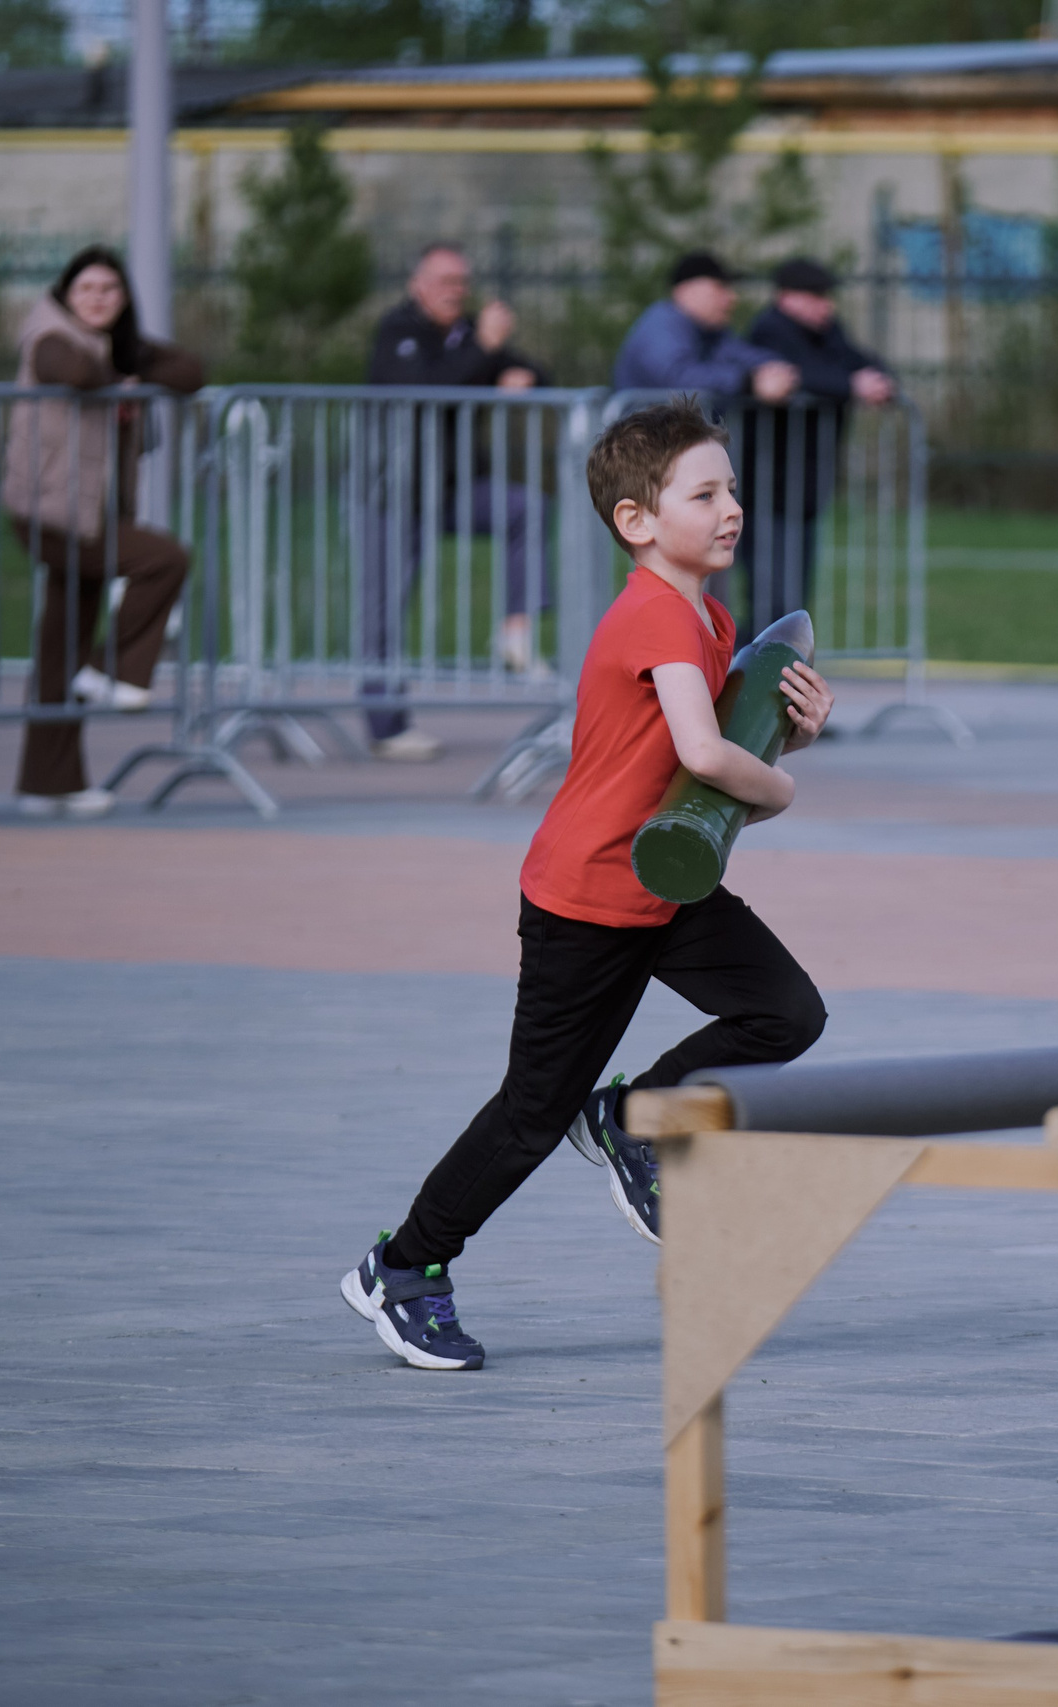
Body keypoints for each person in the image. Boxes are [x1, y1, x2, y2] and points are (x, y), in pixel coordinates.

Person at [339, 398, 834, 1370]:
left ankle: (630, 1113)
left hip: (665, 885)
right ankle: (402, 1268)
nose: (730, 507)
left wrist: (788, 730)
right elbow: (706, 749)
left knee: (784, 1013)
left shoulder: (705, 610)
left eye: (731, 487)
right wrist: (781, 783)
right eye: (704, 493)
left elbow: (706, 758)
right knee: (528, 1114)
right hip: (588, 902)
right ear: (636, 522)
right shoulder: (653, 612)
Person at [0, 246, 205, 820]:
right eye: (87, 288)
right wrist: (123, 374)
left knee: (60, 643)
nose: (98, 299)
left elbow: (191, 373)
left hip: (94, 512)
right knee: (165, 559)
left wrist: (134, 363)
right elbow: (77, 373)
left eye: (110, 290)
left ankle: (47, 784)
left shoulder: (117, 342)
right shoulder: (49, 334)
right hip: (51, 511)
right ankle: (113, 668)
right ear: (67, 293)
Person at [362, 242, 553, 757]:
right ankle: (387, 727)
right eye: (444, 281)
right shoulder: (398, 331)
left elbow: (535, 373)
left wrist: (524, 377)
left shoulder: (469, 333)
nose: (454, 291)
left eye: (461, 283)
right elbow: (427, 388)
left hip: (453, 488)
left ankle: (516, 630)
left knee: (526, 508)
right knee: (384, 610)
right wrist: (485, 351)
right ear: (416, 284)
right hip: (395, 492)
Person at [738, 256, 894, 623]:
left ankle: (781, 674)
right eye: (817, 296)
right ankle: (750, 673)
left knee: (792, 599)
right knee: (771, 597)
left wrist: (880, 381)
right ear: (788, 297)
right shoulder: (769, 331)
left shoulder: (828, 331)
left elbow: (858, 360)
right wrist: (851, 386)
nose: (827, 305)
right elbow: (799, 376)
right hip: (767, 484)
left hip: (806, 484)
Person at [612, 251, 799, 407]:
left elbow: (743, 354)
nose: (732, 298)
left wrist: (777, 370)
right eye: (720, 287)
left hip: (670, 441)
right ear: (686, 290)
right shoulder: (661, 324)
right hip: (644, 445)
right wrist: (748, 382)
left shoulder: (712, 332)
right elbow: (677, 377)